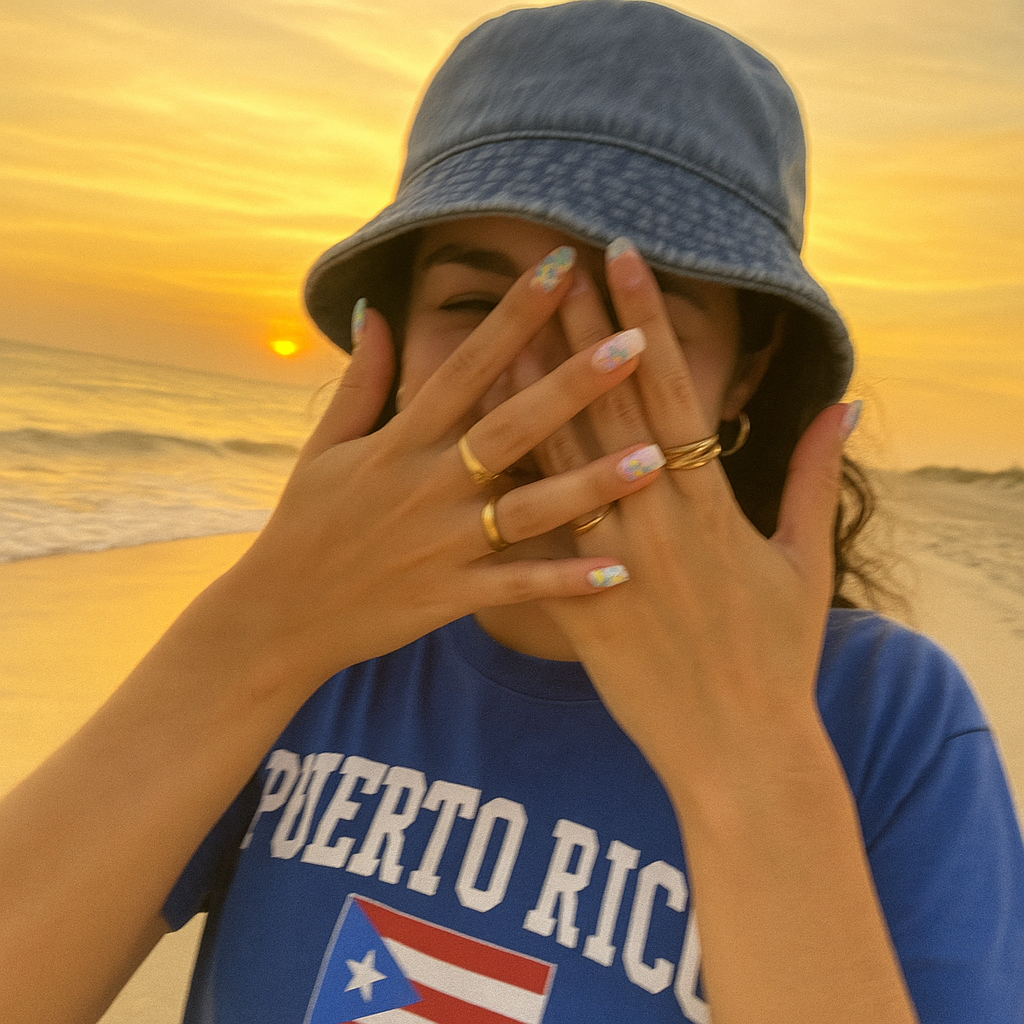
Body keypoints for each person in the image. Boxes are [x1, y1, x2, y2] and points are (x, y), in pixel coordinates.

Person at [1, 3, 1021, 1022]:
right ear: (388, 337)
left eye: (629, 318)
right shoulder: (311, 644)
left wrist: (751, 756)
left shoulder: (884, 716)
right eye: (471, 306)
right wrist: (255, 634)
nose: (538, 376)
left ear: (744, 371)